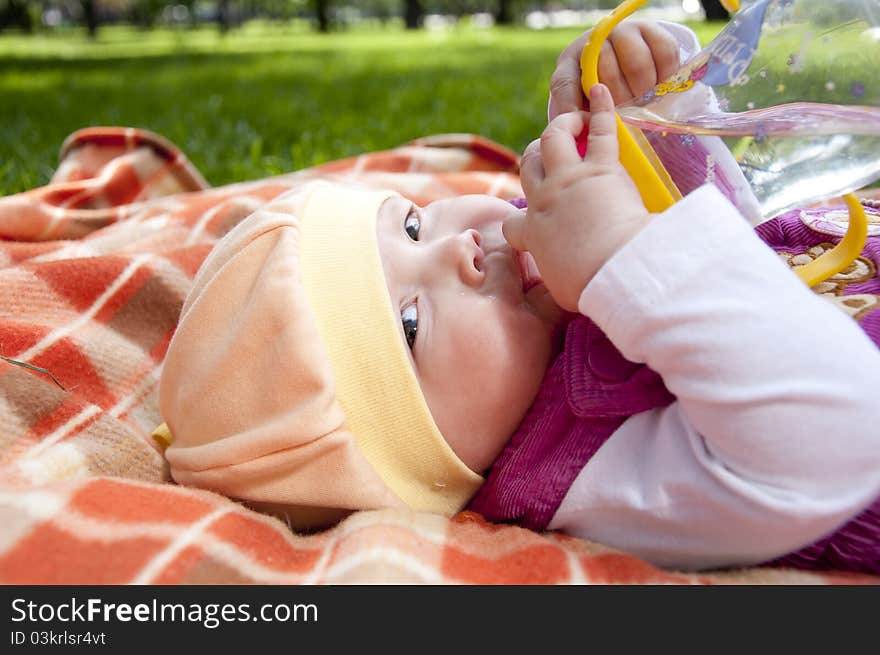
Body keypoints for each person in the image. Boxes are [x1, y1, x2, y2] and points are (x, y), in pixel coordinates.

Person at [157, 20, 880, 573]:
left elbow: (732, 231)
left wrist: (647, 110)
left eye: (409, 224)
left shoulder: (546, 310)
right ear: (431, 464)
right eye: (409, 321)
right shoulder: (586, 471)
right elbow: (843, 431)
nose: (454, 247)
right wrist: (624, 255)